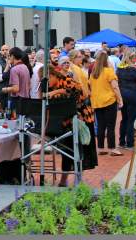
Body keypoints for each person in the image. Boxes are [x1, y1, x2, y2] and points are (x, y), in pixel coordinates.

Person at [47, 58, 97, 186]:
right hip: (67, 122)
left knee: (80, 151)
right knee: (67, 151)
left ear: (52, 75)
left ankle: (77, 181)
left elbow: (76, 93)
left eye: (47, 79)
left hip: (81, 119)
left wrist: (57, 91)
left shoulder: (66, 80)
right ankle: (64, 181)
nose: (46, 82)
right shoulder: (50, 86)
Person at [89, 50, 123, 156]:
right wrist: (120, 99)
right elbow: (115, 87)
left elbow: (89, 86)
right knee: (110, 126)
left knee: (101, 126)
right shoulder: (109, 71)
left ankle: (100, 147)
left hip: (97, 101)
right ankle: (112, 148)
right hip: (109, 100)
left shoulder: (93, 73)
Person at [117, 53, 136, 150]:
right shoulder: (133, 70)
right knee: (131, 120)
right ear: (131, 58)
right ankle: (130, 143)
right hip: (133, 95)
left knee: (124, 119)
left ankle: (121, 142)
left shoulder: (119, 69)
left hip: (122, 95)